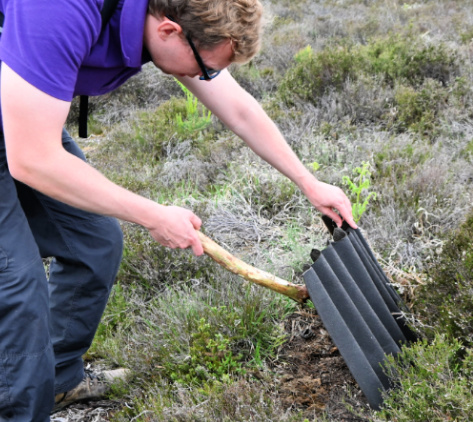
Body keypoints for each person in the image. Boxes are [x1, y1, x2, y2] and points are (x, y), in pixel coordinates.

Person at [0, 0, 357, 419]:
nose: (205, 78)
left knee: (94, 244)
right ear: (170, 31)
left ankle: (57, 381)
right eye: (206, 68)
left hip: (21, 112)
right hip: (26, 129)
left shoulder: (175, 27)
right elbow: (33, 159)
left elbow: (238, 108)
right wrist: (152, 214)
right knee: (16, 283)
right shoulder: (59, 9)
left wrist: (309, 182)